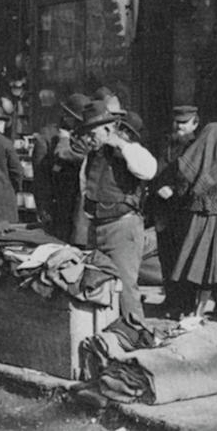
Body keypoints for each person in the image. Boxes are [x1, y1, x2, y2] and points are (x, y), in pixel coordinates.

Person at [78, 100, 157, 320]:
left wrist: (120, 144)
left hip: (122, 227)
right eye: (85, 134)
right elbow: (85, 185)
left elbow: (149, 170)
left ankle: (135, 336)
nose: (87, 139)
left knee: (126, 289)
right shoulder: (93, 155)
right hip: (98, 226)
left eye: (91, 133)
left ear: (106, 129)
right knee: (99, 284)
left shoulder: (129, 149)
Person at [169, 119, 217, 318]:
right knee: (212, 262)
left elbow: (182, 184)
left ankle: (198, 309)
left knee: (197, 261)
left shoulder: (193, 158)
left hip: (195, 216)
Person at [150, 105, 201, 318]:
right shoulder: (166, 143)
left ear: (195, 123)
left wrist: (175, 190)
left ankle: (186, 303)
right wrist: (156, 187)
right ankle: (171, 299)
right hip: (164, 210)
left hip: (185, 209)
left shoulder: (198, 145)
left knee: (185, 257)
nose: (179, 126)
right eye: (177, 122)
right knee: (167, 256)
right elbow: (154, 170)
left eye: (184, 122)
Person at [32, 93, 90, 242]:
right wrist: (43, 208)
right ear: (66, 116)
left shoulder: (85, 134)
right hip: (58, 205)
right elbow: (40, 178)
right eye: (76, 120)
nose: (79, 124)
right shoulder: (47, 136)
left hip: (80, 205)